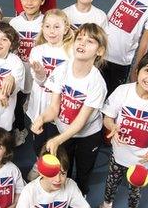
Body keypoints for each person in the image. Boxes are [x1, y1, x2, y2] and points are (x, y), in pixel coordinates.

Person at [31, 23, 108, 195]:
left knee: (83, 171)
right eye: (79, 39)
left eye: (90, 41)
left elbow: (80, 122)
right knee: (65, 168)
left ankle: (81, 194)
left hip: (87, 136)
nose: (82, 43)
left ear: (100, 51)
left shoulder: (97, 83)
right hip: (64, 130)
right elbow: (54, 108)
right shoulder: (62, 69)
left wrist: (58, 140)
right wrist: (42, 118)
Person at [99, 49, 148, 208]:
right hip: (119, 153)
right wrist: (112, 126)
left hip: (143, 159)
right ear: (137, 71)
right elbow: (108, 117)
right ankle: (107, 204)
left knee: (136, 189)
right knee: (112, 181)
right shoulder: (122, 92)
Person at [25, 9, 73, 181]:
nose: (52, 31)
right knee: (38, 141)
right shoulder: (37, 51)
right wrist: (39, 73)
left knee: (55, 141)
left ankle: (54, 169)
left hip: (59, 106)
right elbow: (39, 82)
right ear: (42, 28)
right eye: (47, 26)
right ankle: (39, 163)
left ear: (66, 29)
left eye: (56, 27)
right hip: (39, 105)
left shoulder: (71, 52)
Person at [8, 0, 46, 145]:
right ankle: (20, 129)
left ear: (42, 0)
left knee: (39, 105)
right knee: (18, 105)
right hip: (20, 73)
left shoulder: (46, 22)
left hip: (39, 75)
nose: (29, 2)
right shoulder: (14, 22)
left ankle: (40, 132)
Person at [17, 146, 89, 208]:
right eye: (52, 174)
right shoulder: (29, 191)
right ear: (41, 172)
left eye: (63, 173)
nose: (58, 179)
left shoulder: (70, 185)